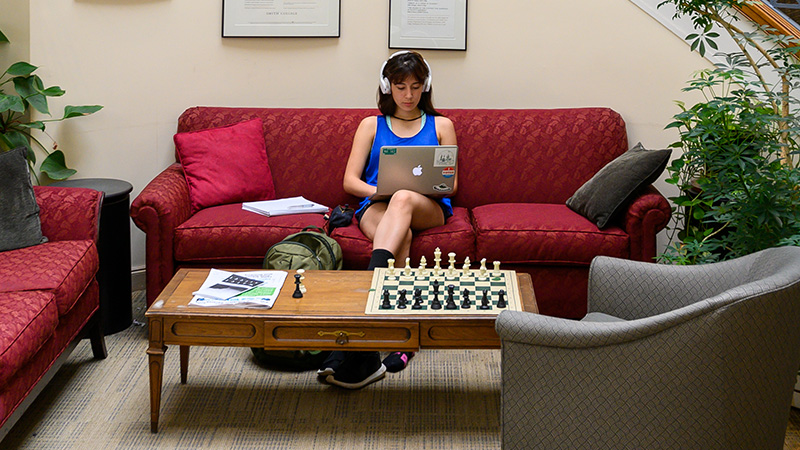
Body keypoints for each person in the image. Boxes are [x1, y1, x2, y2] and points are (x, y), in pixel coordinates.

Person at [319, 51, 457, 389]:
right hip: (377, 205)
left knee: (404, 197)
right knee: (401, 236)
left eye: (415, 87)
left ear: (426, 86)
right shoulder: (371, 125)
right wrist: (379, 191)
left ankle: (369, 297)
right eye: (400, 87)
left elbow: (450, 183)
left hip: (428, 206)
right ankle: (399, 338)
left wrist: (400, 192)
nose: (409, 96)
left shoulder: (442, 125)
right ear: (387, 87)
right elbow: (350, 181)